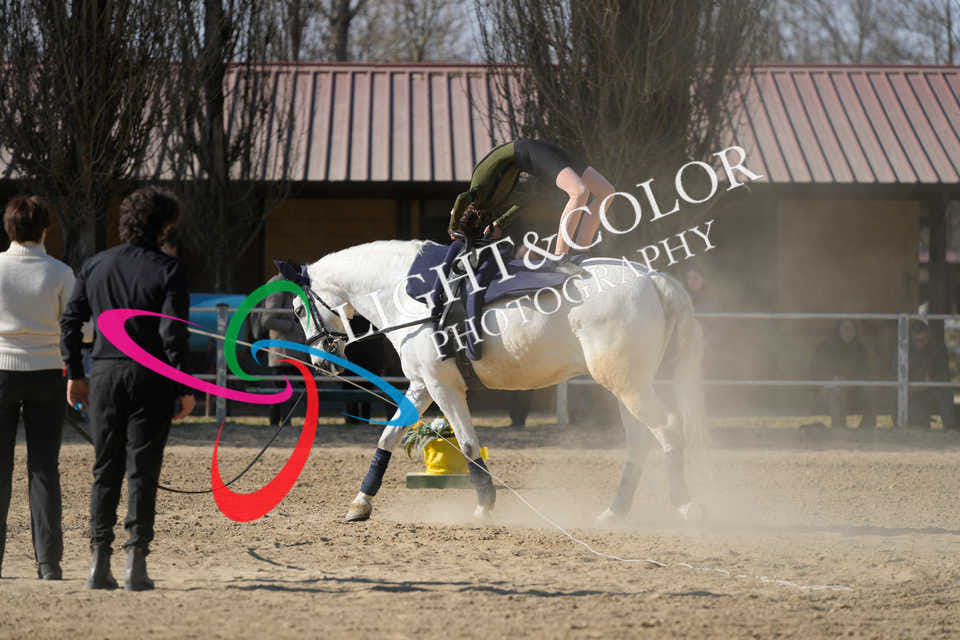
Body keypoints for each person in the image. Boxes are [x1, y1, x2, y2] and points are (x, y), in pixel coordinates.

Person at [60, 186, 196, 591]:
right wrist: (184, 383)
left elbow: (71, 321)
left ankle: (98, 562)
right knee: (143, 470)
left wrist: (74, 372)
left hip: (104, 373)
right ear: (164, 226)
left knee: (105, 468)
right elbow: (173, 334)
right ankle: (136, 562)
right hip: (151, 376)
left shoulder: (96, 265)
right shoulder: (169, 269)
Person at [0, 196, 75, 580]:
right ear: (45, 229)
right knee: (44, 468)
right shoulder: (60, 272)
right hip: (47, 372)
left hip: (1, 371)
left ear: (8, 228)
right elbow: (82, 329)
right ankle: (48, 563)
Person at [447, 139, 616, 273]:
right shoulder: (493, 200)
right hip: (535, 148)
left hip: (526, 149)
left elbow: (462, 198)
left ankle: (561, 257)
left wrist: (453, 227)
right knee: (595, 191)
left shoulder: (478, 193)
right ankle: (577, 252)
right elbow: (524, 201)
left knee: (592, 192)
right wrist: (500, 223)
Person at [257, 272, 306, 427]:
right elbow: (267, 319)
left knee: (287, 390)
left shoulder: (294, 282)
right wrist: (291, 326)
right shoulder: (277, 284)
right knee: (282, 390)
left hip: (295, 350)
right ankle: (279, 423)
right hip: (283, 351)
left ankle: (282, 422)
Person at [810, 320, 876, 429]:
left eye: (851, 329)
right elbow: (816, 371)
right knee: (836, 392)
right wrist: (834, 379)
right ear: (838, 330)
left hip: (853, 391)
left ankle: (867, 429)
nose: (848, 332)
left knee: (869, 390)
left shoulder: (859, 349)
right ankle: (839, 429)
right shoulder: (825, 347)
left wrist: (851, 382)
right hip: (828, 392)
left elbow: (865, 372)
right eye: (845, 329)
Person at [906, 322, 956, 430]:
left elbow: (943, 376)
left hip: (933, 390)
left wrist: (929, 383)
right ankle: (920, 429)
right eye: (916, 340)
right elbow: (896, 377)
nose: (919, 343)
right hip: (912, 393)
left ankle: (950, 427)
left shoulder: (938, 349)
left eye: (922, 340)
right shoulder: (904, 349)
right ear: (911, 338)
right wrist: (910, 387)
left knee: (945, 393)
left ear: (928, 336)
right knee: (913, 409)